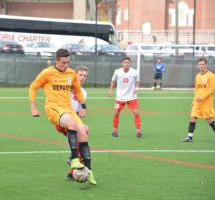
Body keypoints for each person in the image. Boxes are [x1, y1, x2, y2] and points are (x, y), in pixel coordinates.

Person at [29, 49, 96, 185]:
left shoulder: (71, 73)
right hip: (53, 108)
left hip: (68, 109)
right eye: (63, 63)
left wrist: (83, 107)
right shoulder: (47, 73)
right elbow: (33, 87)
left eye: (68, 62)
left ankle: (89, 171)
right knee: (72, 124)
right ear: (57, 60)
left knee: (83, 132)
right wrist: (33, 108)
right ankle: (74, 159)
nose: (66, 65)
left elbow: (77, 90)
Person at [54, 65, 91, 180]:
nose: (83, 77)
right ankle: (74, 161)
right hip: (62, 120)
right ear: (75, 75)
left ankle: (72, 169)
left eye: (85, 75)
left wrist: (81, 111)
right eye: (80, 74)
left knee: (85, 132)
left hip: (73, 122)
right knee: (82, 138)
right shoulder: (67, 87)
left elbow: (79, 110)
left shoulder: (83, 93)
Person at [108, 57, 144, 138]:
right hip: (120, 96)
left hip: (132, 96)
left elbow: (137, 83)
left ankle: (138, 132)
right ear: (122, 63)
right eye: (125, 62)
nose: (126, 64)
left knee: (136, 112)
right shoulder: (117, 72)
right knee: (116, 113)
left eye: (128, 62)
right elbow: (113, 81)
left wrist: (137, 89)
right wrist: (110, 90)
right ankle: (115, 132)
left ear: (130, 64)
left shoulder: (135, 72)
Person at [183, 57, 215, 142]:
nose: (201, 66)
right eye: (200, 64)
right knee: (192, 118)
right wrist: (194, 101)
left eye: (203, 64)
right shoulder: (197, 76)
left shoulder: (211, 76)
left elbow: (211, 89)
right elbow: (196, 90)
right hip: (197, 102)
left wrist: (202, 97)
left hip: (206, 102)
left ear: (206, 65)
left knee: (209, 120)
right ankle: (189, 137)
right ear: (198, 65)